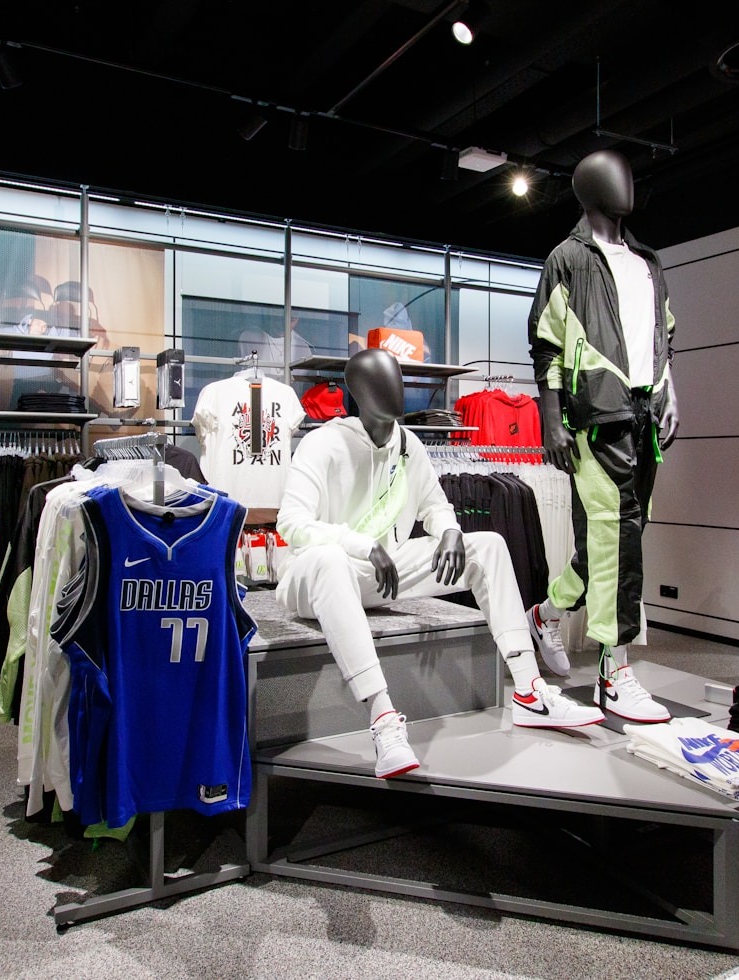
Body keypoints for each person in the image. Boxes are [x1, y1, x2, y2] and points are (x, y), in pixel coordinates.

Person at [275, 348, 604, 778]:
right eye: (382, 382)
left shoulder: (408, 444)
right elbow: (291, 523)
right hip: (314, 577)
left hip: (381, 574)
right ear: (360, 392)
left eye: (397, 379)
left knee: (486, 545)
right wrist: (359, 544)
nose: (395, 389)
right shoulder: (323, 443)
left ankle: (529, 689)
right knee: (330, 559)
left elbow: (435, 504)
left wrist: (449, 530)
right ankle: (383, 717)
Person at [526, 149, 679, 725]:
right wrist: (551, 418)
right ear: (589, 188)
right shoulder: (566, 259)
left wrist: (672, 392)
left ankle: (546, 614)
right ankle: (614, 675)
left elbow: (664, 337)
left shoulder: (648, 261)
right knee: (618, 533)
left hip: (647, 412)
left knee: (619, 537)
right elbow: (546, 342)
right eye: (616, 176)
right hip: (596, 413)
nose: (627, 185)